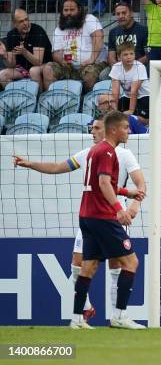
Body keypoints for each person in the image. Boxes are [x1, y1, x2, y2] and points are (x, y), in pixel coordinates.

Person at [14, 114, 146, 329]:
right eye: (125, 128)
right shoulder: (105, 152)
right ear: (113, 129)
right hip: (106, 215)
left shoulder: (103, 153)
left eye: (95, 127)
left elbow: (123, 183)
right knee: (129, 263)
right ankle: (120, 316)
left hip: (88, 214)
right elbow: (102, 183)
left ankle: (77, 319)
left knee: (90, 265)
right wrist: (118, 209)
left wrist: (130, 197)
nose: (92, 131)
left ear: (105, 129)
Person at [32, 0, 106, 92]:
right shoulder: (59, 29)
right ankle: (52, 99)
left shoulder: (89, 19)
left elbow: (98, 37)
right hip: (69, 67)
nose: (68, 13)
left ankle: (85, 103)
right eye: (66, 10)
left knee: (89, 74)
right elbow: (55, 53)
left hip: (94, 63)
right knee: (48, 69)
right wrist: (62, 60)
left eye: (72, 10)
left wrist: (91, 59)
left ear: (79, 10)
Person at [0, 9, 51, 87]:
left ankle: (38, 97)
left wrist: (24, 52)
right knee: (2, 75)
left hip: (44, 65)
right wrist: (5, 56)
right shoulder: (11, 35)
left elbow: (38, 62)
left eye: (26, 19)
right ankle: (17, 96)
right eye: (21, 21)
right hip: (22, 68)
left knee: (33, 71)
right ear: (14, 24)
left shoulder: (38, 31)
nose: (26, 23)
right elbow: (12, 65)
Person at [110, 42, 150, 115]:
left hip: (144, 96)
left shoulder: (140, 67)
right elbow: (115, 92)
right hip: (128, 97)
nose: (129, 57)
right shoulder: (116, 67)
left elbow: (134, 91)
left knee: (135, 117)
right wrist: (115, 110)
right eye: (125, 54)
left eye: (131, 54)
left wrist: (131, 110)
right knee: (114, 112)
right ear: (119, 57)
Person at [107, 2, 148, 67]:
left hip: (139, 66)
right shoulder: (113, 32)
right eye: (118, 14)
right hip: (119, 67)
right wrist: (117, 68)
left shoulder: (144, 30)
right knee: (103, 75)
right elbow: (111, 57)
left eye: (124, 13)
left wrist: (132, 66)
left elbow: (148, 55)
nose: (121, 16)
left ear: (131, 14)